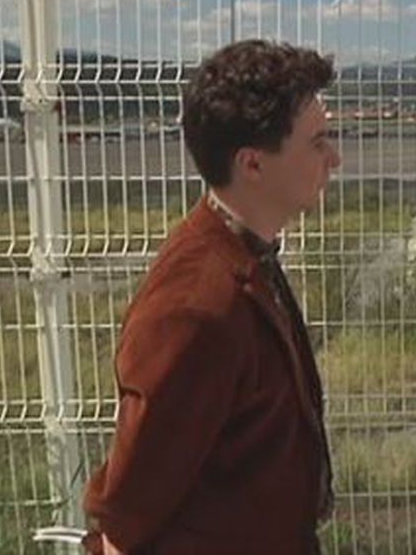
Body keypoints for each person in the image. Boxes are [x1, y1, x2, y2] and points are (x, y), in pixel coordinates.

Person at [82, 40, 342, 554]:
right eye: (317, 142)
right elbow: (128, 512)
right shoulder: (197, 303)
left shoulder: (244, 257)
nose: (335, 158)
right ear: (252, 164)